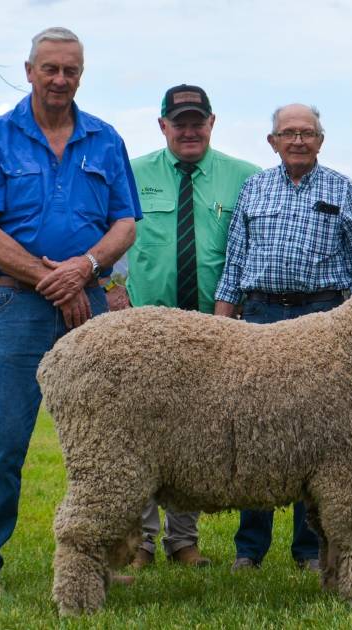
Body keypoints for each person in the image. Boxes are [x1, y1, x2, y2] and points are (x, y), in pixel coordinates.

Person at [0, 26, 142, 594]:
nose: (60, 79)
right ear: (28, 70)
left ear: (82, 74)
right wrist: (54, 279)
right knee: (5, 437)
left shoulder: (105, 139)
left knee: (112, 440)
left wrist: (84, 267)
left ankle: (102, 560)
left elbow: (124, 223)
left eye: (71, 71)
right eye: (50, 69)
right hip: (16, 305)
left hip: (92, 304)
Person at [214, 103, 352, 572]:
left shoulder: (343, 189)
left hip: (321, 318)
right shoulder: (254, 188)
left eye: (307, 133)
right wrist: (221, 331)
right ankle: (249, 549)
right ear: (273, 142)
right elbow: (233, 267)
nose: (298, 140)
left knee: (314, 437)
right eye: (289, 133)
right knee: (255, 431)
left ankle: (308, 551)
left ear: (321, 140)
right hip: (259, 316)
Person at [120, 84, 261, 570]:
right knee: (141, 430)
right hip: (145, 329)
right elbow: (109, 235)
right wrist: (114, 291)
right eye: (178, 122)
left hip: (212, 328)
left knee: (193, 436)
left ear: (212, 123)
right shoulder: (131, 174)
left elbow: (251, 247)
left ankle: (184, 541)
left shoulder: (245, 177)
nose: (188, 130)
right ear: (162, 126)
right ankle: (138, 542)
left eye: (197, 121)